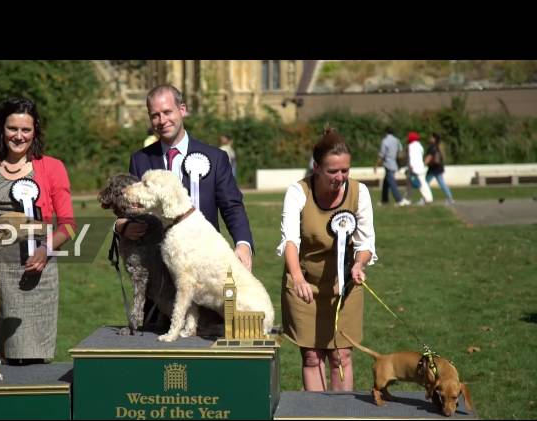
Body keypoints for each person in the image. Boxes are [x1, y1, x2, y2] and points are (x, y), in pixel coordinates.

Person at [0, 97, 75, 364]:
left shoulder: (52, 168)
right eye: (12, 128)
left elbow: (68, 225)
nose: (19, 136)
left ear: (35, 132)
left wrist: (46, 249)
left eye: (26, 130)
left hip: (34, 273)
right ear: (2, 129)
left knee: (31, 361)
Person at [277, 126, 377, 391]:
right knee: (312, 356)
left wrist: (359, 263)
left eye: (345, 170)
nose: (340, 177)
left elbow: (366, 243)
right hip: (305, 282)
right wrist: (297, 278)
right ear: (316, 168)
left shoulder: (359, 193)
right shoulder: (298, 192)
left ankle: (343, 415)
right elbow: (290, 241)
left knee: (341, 355)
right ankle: (316, 413)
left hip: (344, 284)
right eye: (333, 171)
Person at [119, 84, 254, 271]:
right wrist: (121, 226)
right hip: (159, 268)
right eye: (155, 115)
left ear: (182, 110)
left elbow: (232, 207)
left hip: (207, 264)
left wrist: (243, 244)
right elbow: (133, 212)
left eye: (167, 112)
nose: (162, 120)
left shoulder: (215, 158)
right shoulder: (140, 160)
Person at [375, 127, 409, 206]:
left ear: (386, 132)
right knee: (386, 183)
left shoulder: (385, 141)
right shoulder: (397, 140)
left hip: (388, 164)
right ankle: (384, 200)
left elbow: (382, 154)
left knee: (392, 183)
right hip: (395, 163)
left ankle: (399, 199)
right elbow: (400, 151)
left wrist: (376, 165)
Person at [425, 132, 455, 205]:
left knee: (425, 184)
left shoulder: (432, 147)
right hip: (438, 167)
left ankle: (425, 199)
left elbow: (429, 157)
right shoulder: (439, 146)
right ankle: (450, 198)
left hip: (433, 168)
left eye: (431, 137)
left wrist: (424, 163)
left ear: (434, 139)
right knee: (441, 183)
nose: (430, 138)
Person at [406, 131, 433, 205]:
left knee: (420, 184)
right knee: (423, 183)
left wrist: (411, 166)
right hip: (421, 167)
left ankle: (427, 198)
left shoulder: (411, 146)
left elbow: (411, 157)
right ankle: (428, 198)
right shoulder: (420, 146)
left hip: (415, 168)